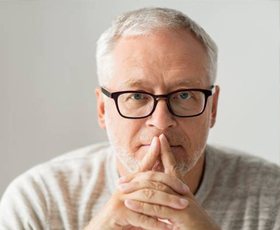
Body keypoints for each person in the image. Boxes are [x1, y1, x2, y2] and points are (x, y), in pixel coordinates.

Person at [1, 7, 280, 230]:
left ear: (213, 108)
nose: (161, 122)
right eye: (137, 96)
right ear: (102, 109)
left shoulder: (272, 197)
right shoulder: (39, 199)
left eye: (184, 95)